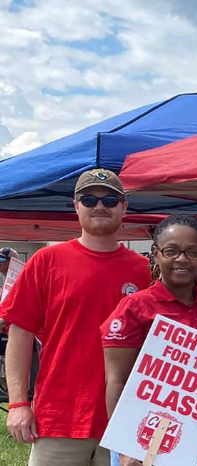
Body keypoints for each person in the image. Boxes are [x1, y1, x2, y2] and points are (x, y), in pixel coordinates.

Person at [1, 169, 150, 466]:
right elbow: (20, 334)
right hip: (60, 416)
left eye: (110, 199)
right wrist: (18, 403)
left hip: (126, 417)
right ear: (75, 206)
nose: (99, 206)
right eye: (89, 199)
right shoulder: (46, 261)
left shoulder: (144, 269)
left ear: (124, 207)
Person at [101, 215, 197, 466]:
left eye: (192, 252)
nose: (182, 259)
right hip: (146, 447)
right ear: (156, 254)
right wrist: (126, 446)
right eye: (171, 251)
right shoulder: (134, 307)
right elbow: (116, 381)